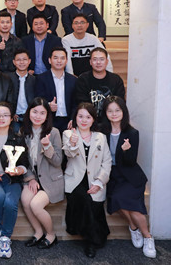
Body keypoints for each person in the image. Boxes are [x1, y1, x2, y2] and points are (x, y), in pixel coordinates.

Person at [100, 96, 155, 258]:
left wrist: (126, 151)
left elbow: (131, 162)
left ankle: (148, 237)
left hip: (130, 176)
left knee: (133, 206)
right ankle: (133, 227)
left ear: (123, 111)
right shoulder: (101, 131)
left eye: (117, 110)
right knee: (116, 200)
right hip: (112, 175)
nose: (114, 114)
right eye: (110, 111)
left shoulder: (132, 133)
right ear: (105, 113)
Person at [63, 103, 112, 258]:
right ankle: (93, 241)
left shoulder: (101, 137)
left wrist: (99, 182)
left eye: (88, 117)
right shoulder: (68, 134)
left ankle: (90, 236)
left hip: (94, 179)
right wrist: (72, 143)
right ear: (75, 118)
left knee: (94, 202)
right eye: (80, 116)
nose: (84, 120)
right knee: (84, 199)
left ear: (93, 119)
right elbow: (69, 155)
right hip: (75, 180)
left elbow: (107, 162)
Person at [0, 102, 29, 259]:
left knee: (10, 203)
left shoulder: (17, 138)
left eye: (5, 115)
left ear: (11, 118)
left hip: (12, 179)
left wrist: (18, 170)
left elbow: (25, 163)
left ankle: (5, 238)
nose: (1, 118)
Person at [20, 97, 64, 250]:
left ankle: (51, 235)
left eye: (42, 113)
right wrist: (30, 178)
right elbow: (22, 159)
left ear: (47, 115)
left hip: (51, 179)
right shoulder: (23, 132)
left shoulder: (54, 132)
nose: (38, 116)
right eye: (35, 112)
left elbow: (58, 162)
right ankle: (38, 232)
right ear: (29, 112)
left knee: (35, 205)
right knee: (25, 200)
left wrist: (47, 147)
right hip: (33, 177)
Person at [35, 47, 77, 134]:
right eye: (55, 58)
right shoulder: (41, 78)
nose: (59, 61)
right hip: (49, 120)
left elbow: (75, 102)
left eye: (62, 58)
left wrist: (73, 118)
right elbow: (38, 100)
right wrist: (48, 105)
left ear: (66, 61)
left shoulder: (73, 80)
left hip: (68, 122)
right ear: (49, 60)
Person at [74, 48, 125, 118]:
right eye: (95, 59)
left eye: (102, 59)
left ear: (107, 61)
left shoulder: (116, 80)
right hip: (89, 119)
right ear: (90, 62)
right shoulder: (83, 79)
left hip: (111, 119)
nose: (98, 62)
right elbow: (81, 103)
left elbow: (119, 103)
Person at [11, 49, 35, 133]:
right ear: (14, 62)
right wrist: (11, 113)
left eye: (24, 59)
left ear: (29, 61)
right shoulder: (8, 79)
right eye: (18, 60)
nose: (21, 62)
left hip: (31, 118)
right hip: (14, 118)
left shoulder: (35, 80)